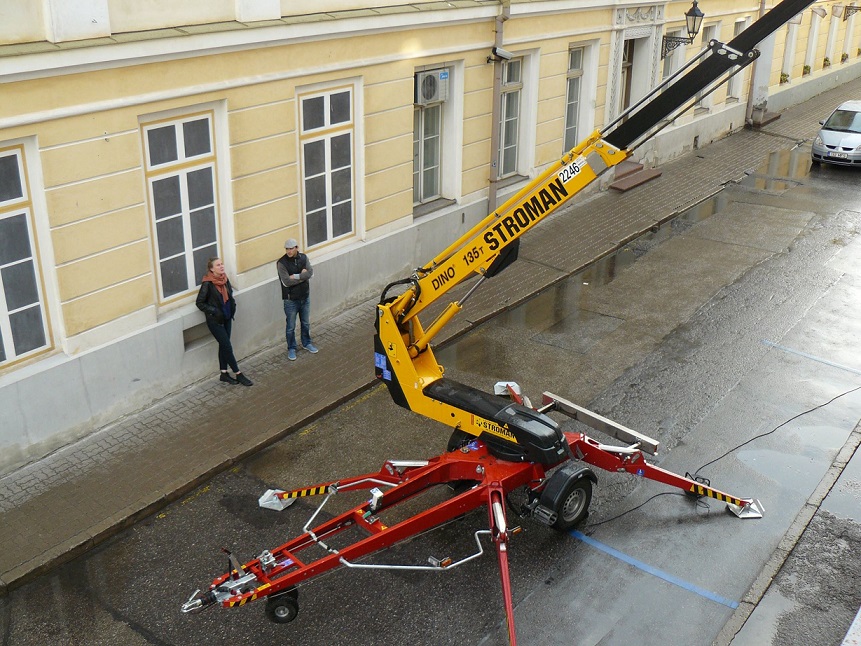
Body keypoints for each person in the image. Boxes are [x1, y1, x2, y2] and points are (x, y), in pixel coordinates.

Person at [196, 257, 253, 386]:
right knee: (227, 347)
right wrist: (214, 311)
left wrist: (233, 305)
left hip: (227, 318)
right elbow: (199, 303)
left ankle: (224, 374)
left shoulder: (224, 279)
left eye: (222, 264)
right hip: (215, 321)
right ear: (211, 269)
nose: (221, 267)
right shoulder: (207, 284)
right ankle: (238, 374)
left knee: (224, 346)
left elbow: (229, 295)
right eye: (218, 265)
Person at [277, 238, 317, 361]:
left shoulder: (303, 258)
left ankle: (306, 343)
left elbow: (310, 272)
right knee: (290, 327)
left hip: (304, 296)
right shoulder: (281, 263)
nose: (289, 251)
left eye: (291, 248)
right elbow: (286, 282)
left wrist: (296, 276)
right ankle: (291, 348)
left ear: (296, 248)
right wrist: (303, 276)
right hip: (291, 300)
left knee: (305, 323)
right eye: (287, 249)